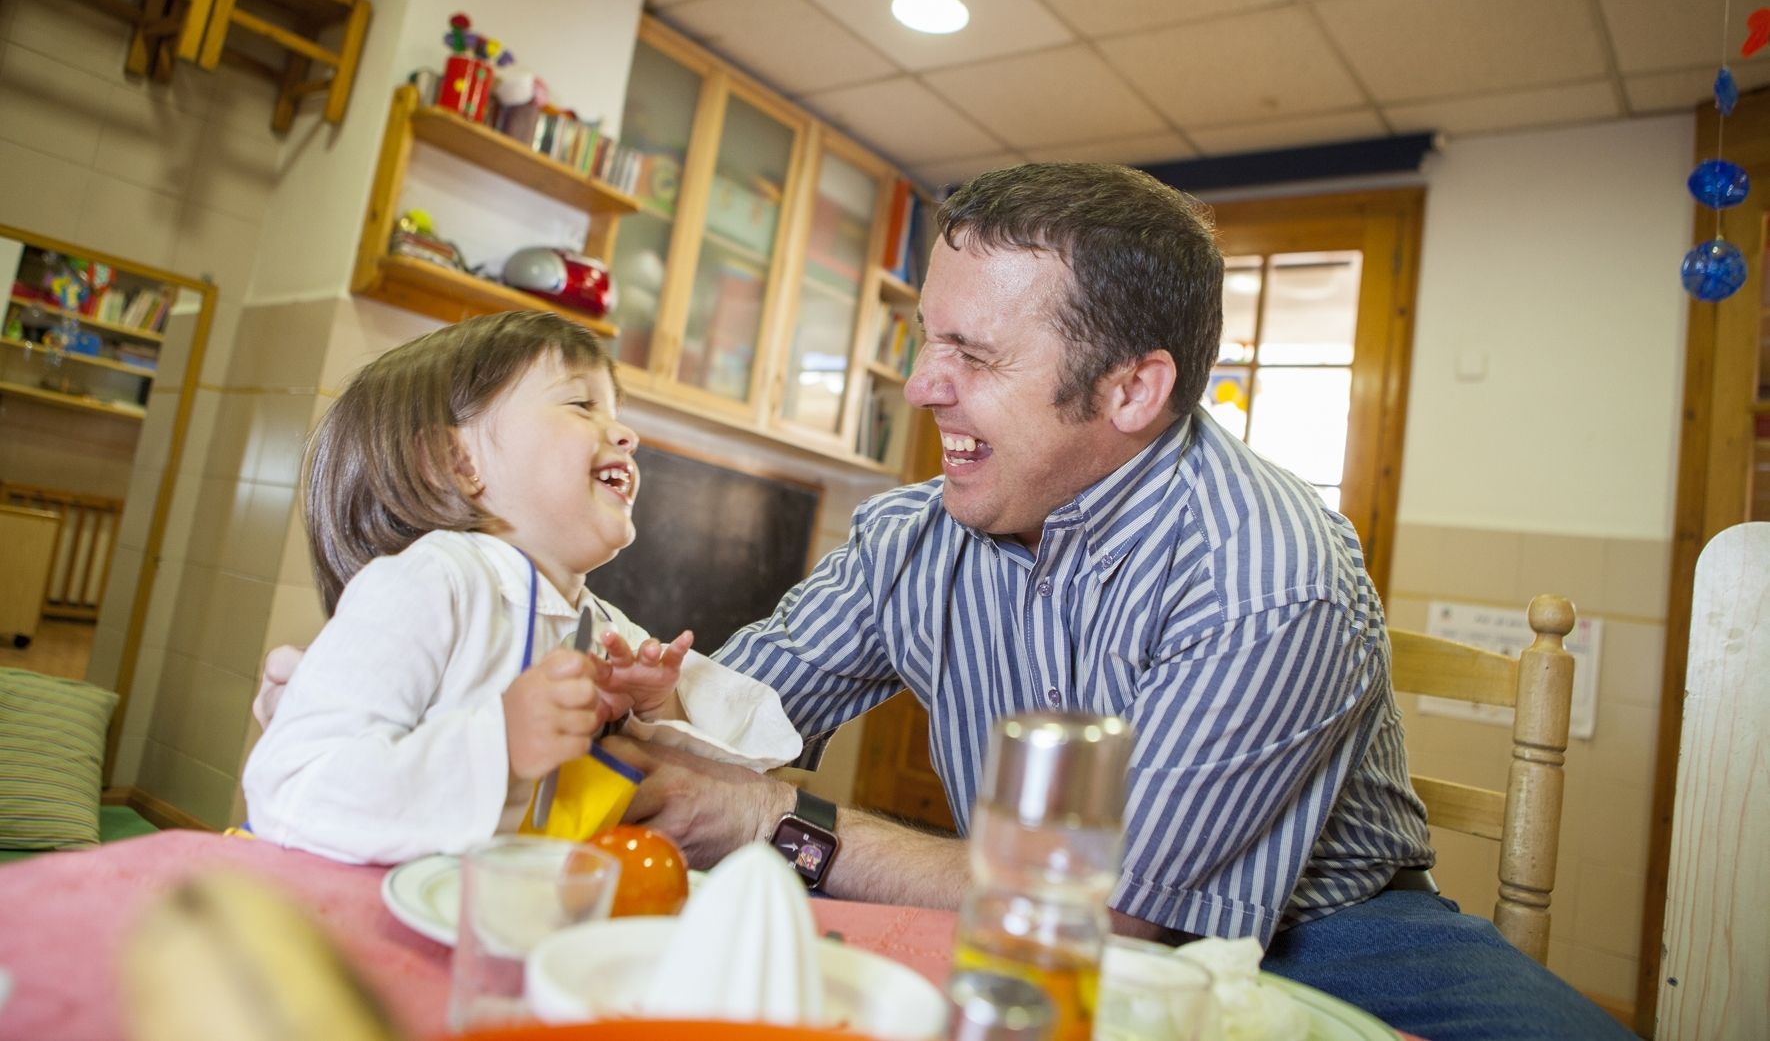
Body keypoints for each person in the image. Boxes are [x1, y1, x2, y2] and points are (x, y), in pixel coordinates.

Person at [255, 167, 1628, 1039]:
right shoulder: (917, 533)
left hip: (1339, 930)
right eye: (926, 340)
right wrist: (409, 717)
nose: (918, 389)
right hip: (1006, 907)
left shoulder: (1271, 578)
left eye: (967, 353)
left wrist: (772, 820)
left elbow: (1130, 908)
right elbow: (733, 710)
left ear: (1130, 391)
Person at [242, 311, 797, 865]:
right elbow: (291, 785)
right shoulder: (433, 582)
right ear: (456, 463)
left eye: (615, 412)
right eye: (582, 405)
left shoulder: (602, 626)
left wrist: (657, 707)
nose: (628, 435)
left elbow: (744, 780)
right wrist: (501, 741)